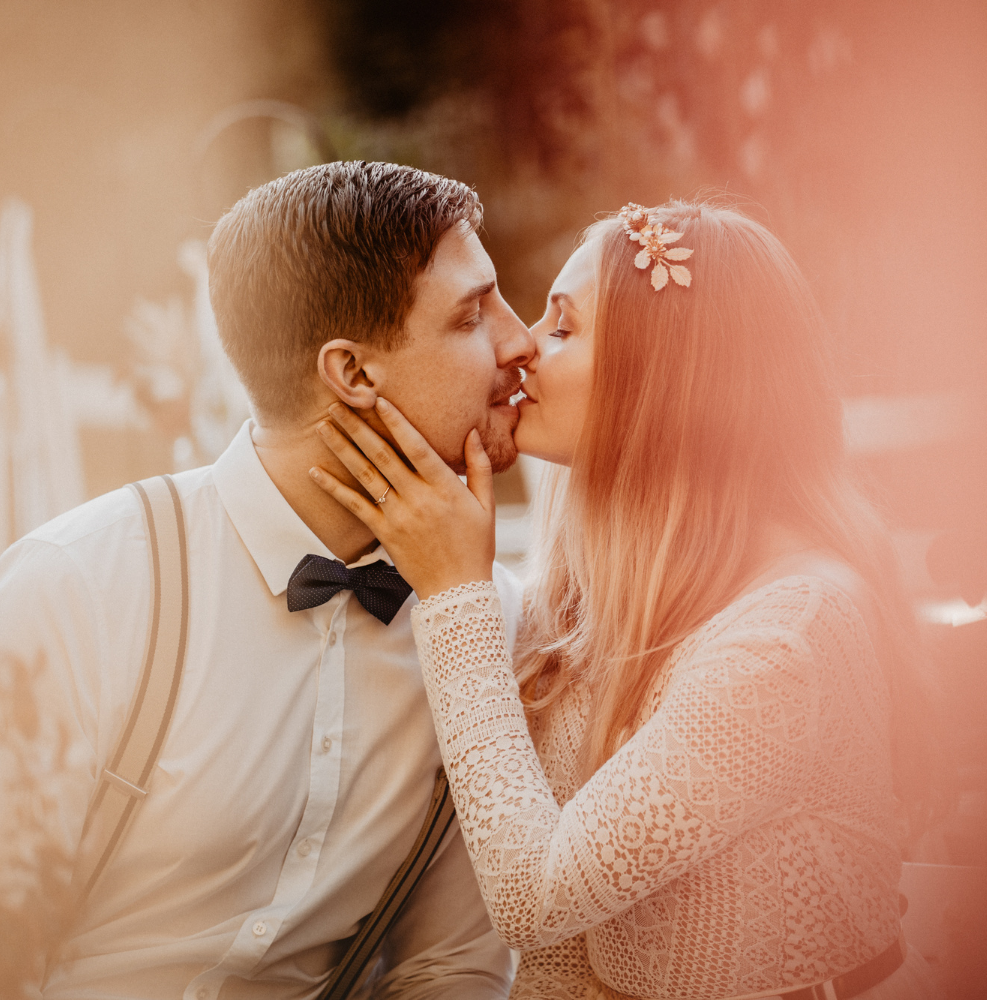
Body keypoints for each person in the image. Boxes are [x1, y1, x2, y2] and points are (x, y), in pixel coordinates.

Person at [309, 200, 943, 999]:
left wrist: (456, 591)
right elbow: (561, 966)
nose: (524, 348)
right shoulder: (598, 586)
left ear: (668, 380)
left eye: (565, 329)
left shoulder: (788, 638)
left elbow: (535, 898)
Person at [0, 161, 534, 998]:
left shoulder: (480, 619)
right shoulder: (77, 590)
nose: (520, 340)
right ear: (351, 374)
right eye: (471, 315)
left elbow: (448, 968)